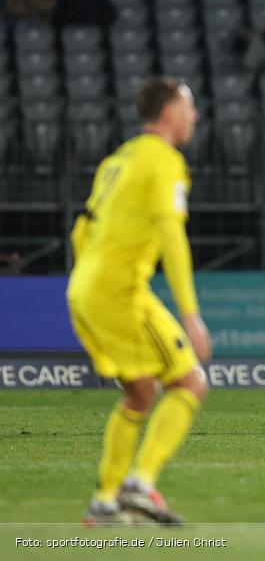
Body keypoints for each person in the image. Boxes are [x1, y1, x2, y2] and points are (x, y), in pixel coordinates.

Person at [67, 77, 212, 525]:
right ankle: (140, 484)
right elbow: (173, 236)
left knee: (140, 392)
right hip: (120, 290)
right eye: (189, 108)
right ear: (169, 113)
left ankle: (106, 502)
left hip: (87, 285)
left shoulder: (119, 158)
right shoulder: (164, 161)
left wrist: (90, 277)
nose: (195, 116)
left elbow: (81, 229)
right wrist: (191, 314)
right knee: (189, 383)